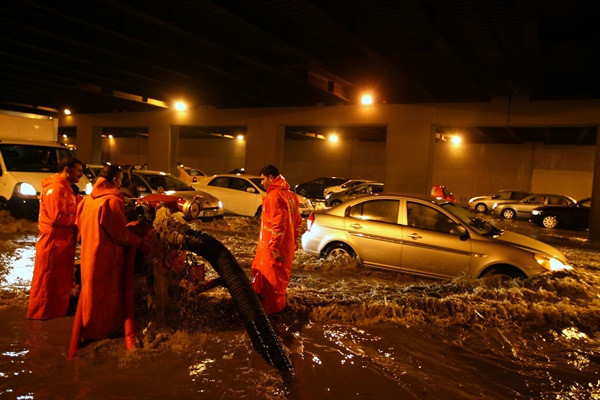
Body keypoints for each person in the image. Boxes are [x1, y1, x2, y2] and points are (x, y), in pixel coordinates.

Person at [75, 164, 148, 341]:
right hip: (106, 256)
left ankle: (88, 328)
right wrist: (142, 243)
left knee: (91, 292)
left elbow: (78, 229)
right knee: (107, 295)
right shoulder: (112, 201)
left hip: (88, 254)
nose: (121, 183)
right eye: (121, 179)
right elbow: (121, 235)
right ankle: (104, 331)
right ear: (115, 180)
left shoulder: (87, 200)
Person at [27, 158, 84, 320]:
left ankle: (55, 313)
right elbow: (56, 217)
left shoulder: (66, 189)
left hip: (62, 244)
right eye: (78, 170)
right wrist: (79, 218)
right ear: (67, 169)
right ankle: (41, 314)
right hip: (52, 243)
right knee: (47, 280)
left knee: (56, 281)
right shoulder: (56, 190)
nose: (81, 174)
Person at [251, 164, 302, 314]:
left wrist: (273, 247)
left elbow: (278, 225)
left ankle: (269, 313)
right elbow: (298, 222)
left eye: (262, 179)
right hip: (286, 245)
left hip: (272, 248)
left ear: (271, 178)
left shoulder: (274, 196)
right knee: (280, 281)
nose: (261, 183)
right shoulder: (291, 196)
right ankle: (278, 307)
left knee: (270, 281)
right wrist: (294, 241)